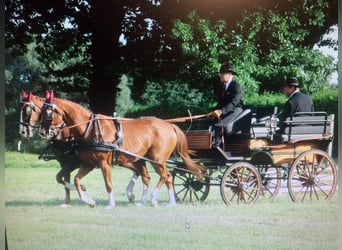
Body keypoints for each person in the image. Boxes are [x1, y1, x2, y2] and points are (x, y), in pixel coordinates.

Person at [210, 64, 244, 146]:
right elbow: (221, 102)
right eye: (220, 74)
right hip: (226, 110)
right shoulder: (222, 87)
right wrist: (213, 112)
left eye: (222, 74)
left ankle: (217, 144)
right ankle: (208, 143)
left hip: (236, 110)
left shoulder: (236, 86)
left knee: (219, 124)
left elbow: (234, 102)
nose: (220, 76)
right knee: (209, 122)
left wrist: (221, 111)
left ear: (229, 75)